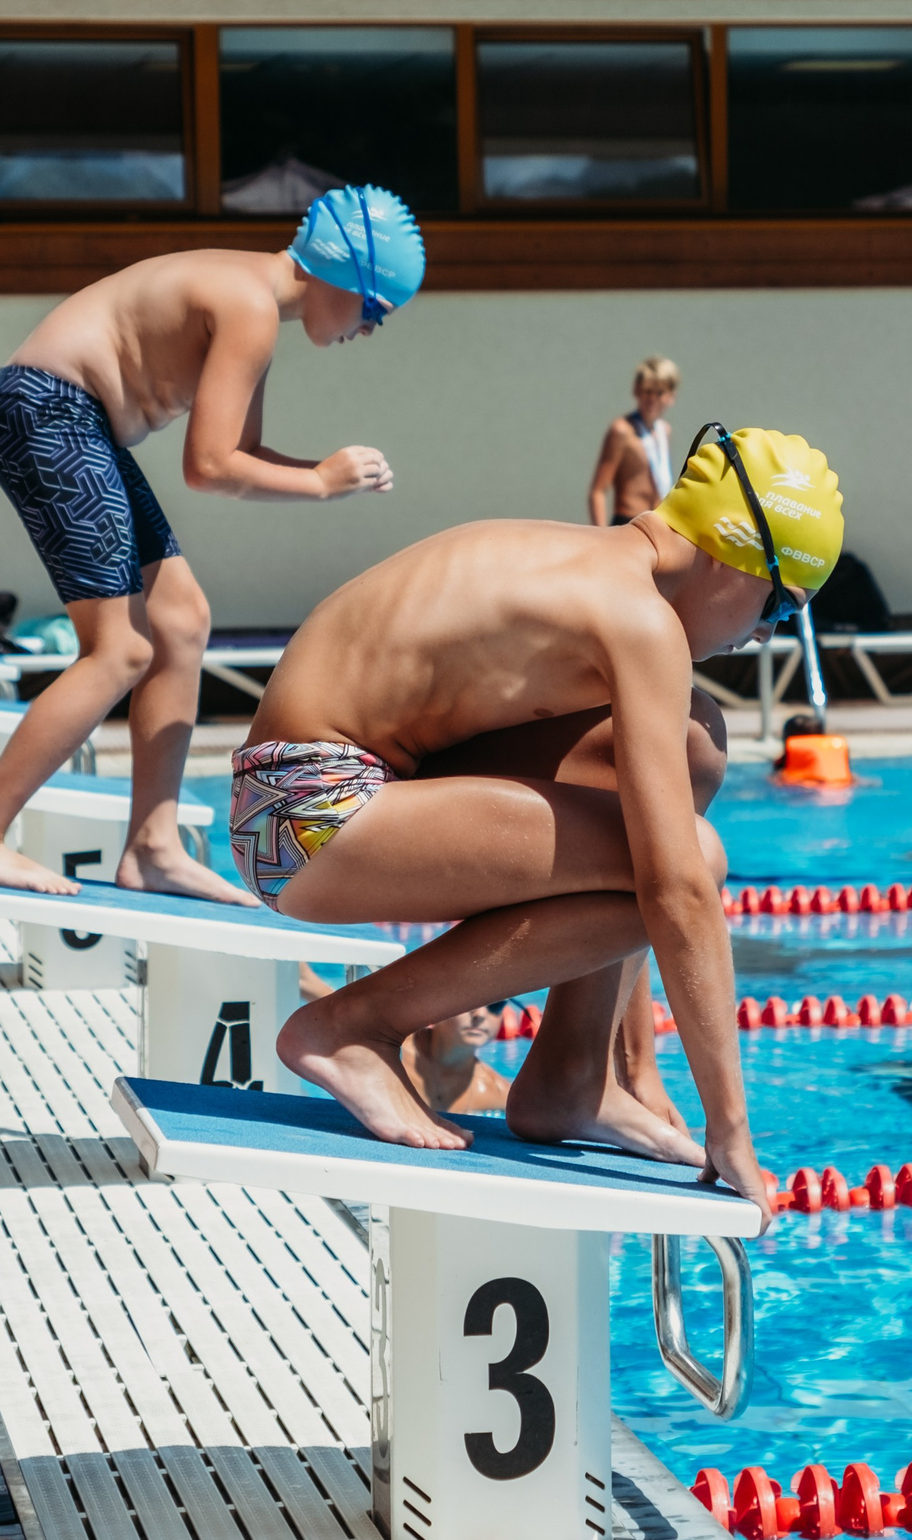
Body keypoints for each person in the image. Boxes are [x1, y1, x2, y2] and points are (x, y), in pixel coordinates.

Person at [232, 423, 843, 1218]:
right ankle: (351, 1026)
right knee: (693, 858)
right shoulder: (637, 618)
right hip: (303, 819)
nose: (761, 637)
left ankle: (571, 1077)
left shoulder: (595, 562)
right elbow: (678, 892)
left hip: (309, 797)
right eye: (779, 608)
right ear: (732, 559)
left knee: (693, 743)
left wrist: (643, 1066)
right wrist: (732, 1129)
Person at [0, 186, 423, 903]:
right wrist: (319, 481)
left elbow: (240, 456)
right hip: (48, 411)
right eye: (375, 309)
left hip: (70, 418)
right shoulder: (250, 308)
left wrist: (323, 477)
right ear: (340, 277)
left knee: (181, 620)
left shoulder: (253, 304)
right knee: (120, 650)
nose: (372, 329)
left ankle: (153, 847)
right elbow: (211, 468)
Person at [586, 355, 679, 526]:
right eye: (647, 391)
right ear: (636, 390)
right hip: (628, 523)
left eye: (659, 393)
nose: (652, 399)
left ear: (671, 396)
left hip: (657, 524)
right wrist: (602, 537)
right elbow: (598, 491)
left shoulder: (664, 430)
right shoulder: (622, 430)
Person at [403, 1005, 514, 1115]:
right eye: (471, 1001)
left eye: (496, 1005)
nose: (480, 1014)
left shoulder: (499, 1095)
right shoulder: (393, 1057)